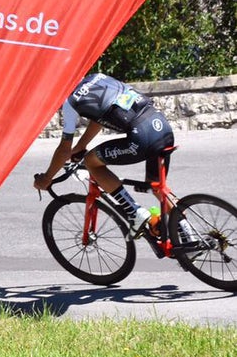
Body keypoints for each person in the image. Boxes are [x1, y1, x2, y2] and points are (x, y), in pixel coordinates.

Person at [33, 72, 175, 238]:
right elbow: (98, 119)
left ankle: (135, 212)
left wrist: (47, 178)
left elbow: (64, 149)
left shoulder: (70, 102)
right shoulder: (97, 77)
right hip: (163, 128)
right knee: (157, 187)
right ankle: (189, 238)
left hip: (140, 138)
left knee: (91, 161)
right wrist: (81, 146)